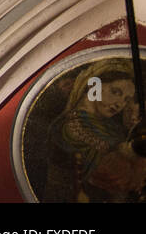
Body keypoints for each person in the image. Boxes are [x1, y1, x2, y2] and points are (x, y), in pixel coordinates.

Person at [44, 59, 146, 202]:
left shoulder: (111, 128)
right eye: (116, 92)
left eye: (126, 99)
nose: (120, 103)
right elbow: (115, 173)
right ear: (94, 85)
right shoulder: (71, 125)